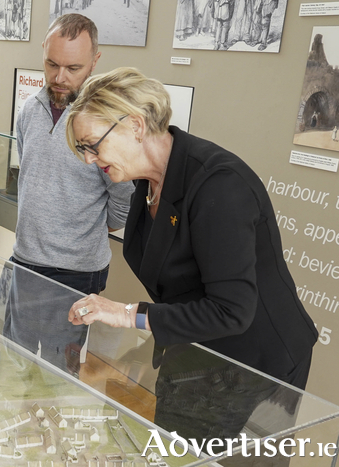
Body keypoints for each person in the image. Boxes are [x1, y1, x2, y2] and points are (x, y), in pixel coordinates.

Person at [65, 68, 317, 437]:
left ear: (134, 126)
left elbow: (232, 311)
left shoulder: (219, 184)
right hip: (199, 351)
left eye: (91, 144)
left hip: (256, 363)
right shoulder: (146, 181)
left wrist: (126, 315)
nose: (88, 159)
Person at [2, 14, 134, 372]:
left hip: (76, 272)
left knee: (59, 372)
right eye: (51, 64)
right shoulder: (30, 109)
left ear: (95, 61)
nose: (60, 78)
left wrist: (91, 229)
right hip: (26, 259)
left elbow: (124, 196)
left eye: (73, 67)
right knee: (16, 362)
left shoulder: (107, 122)